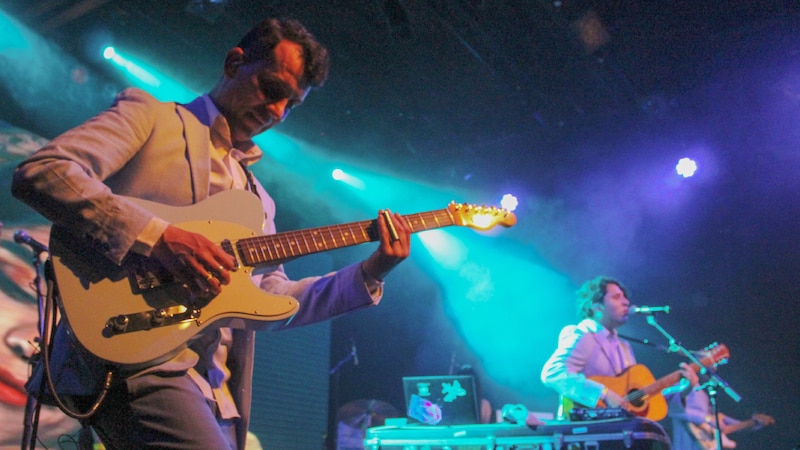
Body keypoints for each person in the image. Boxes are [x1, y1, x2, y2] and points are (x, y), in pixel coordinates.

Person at [11, 18, 411, 449]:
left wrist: (371, 272)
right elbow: (44, 172)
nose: (277, 112)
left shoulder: (259, 199)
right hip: (135, 357)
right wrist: (160, 237)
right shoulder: (151, 116)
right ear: (234, 62)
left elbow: (273, 297)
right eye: (272, 89)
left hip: (214, 389)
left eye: (291, 104)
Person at [540, 275, 698, 420]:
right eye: (617, 297)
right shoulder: (583, 335)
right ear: (597, 307)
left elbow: (635, 399)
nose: (626, 302)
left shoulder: (623, 346)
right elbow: (553, 373)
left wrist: (683, 390)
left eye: (625, 297)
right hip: (585, 432)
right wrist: (604, 393)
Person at [666, 374, 774, 449]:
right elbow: (675, 411)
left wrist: (752, 423)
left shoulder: (705, 395)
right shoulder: (684, 385)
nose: (714, 370)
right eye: (711, 365)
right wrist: (707, 418)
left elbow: (722, 426)